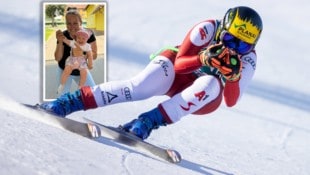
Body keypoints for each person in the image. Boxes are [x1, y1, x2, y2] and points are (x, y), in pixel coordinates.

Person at [40, 6, 263, 140]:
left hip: (201, 93)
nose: (234, 48)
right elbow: (179, 64)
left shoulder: (249, 58)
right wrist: (202, 58)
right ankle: (68, 102)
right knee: (139, 87)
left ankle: (146, 123)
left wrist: (233, 77)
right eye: (230, 39)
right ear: (222, 29)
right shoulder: (207, 29)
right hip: (177, 70)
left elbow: (231, 101)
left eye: (242, 46)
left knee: (212, 84)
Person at [55, 7, 98, 95]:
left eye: (75, 23)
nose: (72, 26)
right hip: (65, 68)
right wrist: (60, 41)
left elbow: (94, 54)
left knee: (92, 93)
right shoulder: (64, 35)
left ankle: (80, 87)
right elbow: (57, 58)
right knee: (63, 97)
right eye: (69, 23)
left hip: (81, 67)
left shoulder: (87, 35)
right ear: (66, 24)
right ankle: (62, 86)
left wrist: (84, 56)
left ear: (81, 23)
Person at [58, 29, 93, 94]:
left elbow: (90, 55)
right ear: (76, 38)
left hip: (81, 61)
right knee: (66, 70)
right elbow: (66, 41)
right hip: (72, 60)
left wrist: (90, 63)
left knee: (84, 73)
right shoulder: (74, 43)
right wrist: (62, 37)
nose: (81, 40)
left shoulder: (87, 46)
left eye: (83, 38)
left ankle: (80, 87)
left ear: (87, 39)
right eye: (79, 38)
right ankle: (62, 85)